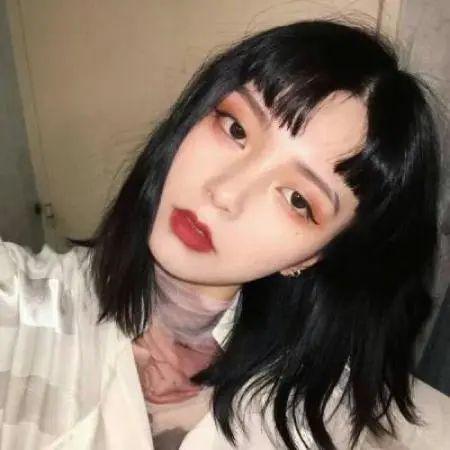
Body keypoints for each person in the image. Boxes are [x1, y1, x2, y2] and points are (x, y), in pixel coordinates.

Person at [0, 19, 449, 450]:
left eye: (297, 199)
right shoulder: (22, 303)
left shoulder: (321, 415)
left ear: (312, 255)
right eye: (236, 128)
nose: (224, 192)